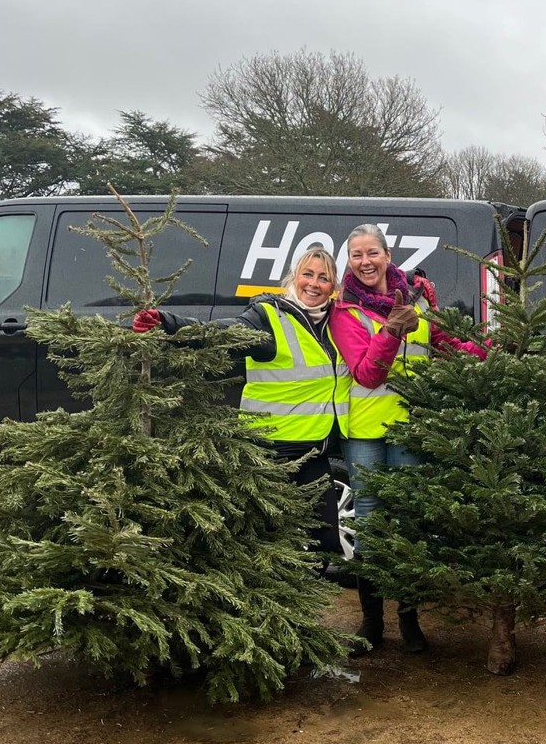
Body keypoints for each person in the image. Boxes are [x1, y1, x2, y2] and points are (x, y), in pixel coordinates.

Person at [330, 223, 487, 656]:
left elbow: (446, 343)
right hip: (365, 431)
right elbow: (366, 373)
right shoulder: (344, 311)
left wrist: (491, 349)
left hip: (410, 426)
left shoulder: (419, 299)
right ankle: (371, 621)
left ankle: (410, 619)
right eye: (356, 254)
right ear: (350, 261)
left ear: (387, 255)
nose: (365, 262)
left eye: (372, 253)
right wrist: (390, 332)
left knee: (409, 521)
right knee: (371, 525)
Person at [132, 245, 349, 559]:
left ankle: (304, 603)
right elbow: (223, 332)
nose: (314, 284)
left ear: (334, 286)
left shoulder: (336, 322)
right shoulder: (269, 317)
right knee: (266, 544)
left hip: (313, 453)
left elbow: (377, 284)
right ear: (294, 277)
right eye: (307, 274)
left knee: (325, 544)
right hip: (269, 453)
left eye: (324, 278)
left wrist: (416, 283)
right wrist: (169, 322)